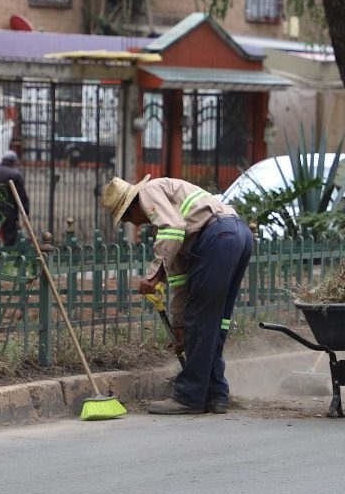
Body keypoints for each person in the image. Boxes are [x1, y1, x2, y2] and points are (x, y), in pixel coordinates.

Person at [100, 175, 254, 415]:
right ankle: (215, 394)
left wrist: (152, 275)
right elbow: (180, 281)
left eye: (129, 217)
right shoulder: (180, 232)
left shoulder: (148, 192)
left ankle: (189, 396)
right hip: (237, 235)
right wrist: (180, 327)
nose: (136, 225)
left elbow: (172, 227)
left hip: (219, 237)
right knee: (215, 321)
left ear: (132, 205)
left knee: (202, 321)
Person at [0, 151, 31, 246]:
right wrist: (25, 212)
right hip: (9, 212)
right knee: (9, 238)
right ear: (14, 162)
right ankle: (7, 257)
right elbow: (21, 196)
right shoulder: (16, 174)